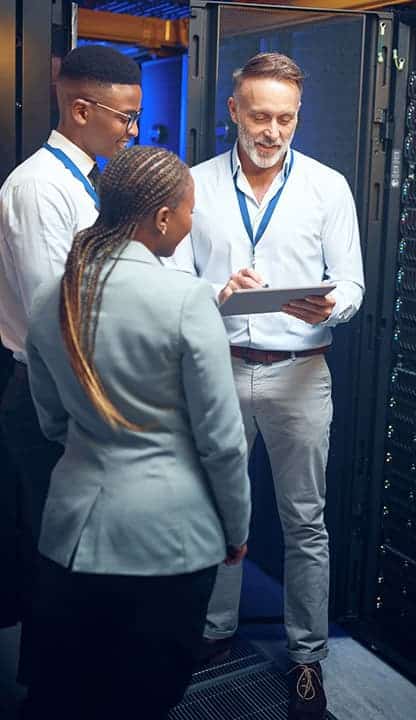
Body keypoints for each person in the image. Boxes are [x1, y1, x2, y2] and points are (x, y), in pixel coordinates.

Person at [24, 145, 251, 720]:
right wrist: (236, 528)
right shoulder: (185, 299)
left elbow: (50, 420)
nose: (192, 221)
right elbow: (222, 441)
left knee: (69, 693)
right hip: (168, 541)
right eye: (190, 210)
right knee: (144, 698)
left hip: (71, 534)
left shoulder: (54, 295)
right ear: (163, 218)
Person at [172, 52, 365, 720]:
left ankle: (307, 659)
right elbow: (168, 281)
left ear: (297, 117)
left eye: (285, 118)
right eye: (260, 115)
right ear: (234, 111)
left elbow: (353, 283)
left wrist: (331, 306)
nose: (272, 130)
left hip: (300, 373)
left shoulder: (327, 188)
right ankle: (215, 637)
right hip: (219, 367)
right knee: (220, 512)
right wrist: (214, 292)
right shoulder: (194, 185)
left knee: (305, 521)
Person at [0, 44, 142, 686]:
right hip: (46, 392)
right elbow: (52, 314)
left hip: (76, 387)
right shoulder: (37, 187)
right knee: (56, 550)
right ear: (82, 109)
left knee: (81, 547)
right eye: (124, 117)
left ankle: (78, 676)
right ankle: (52, 691)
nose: (132, 130)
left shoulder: (84, 180)